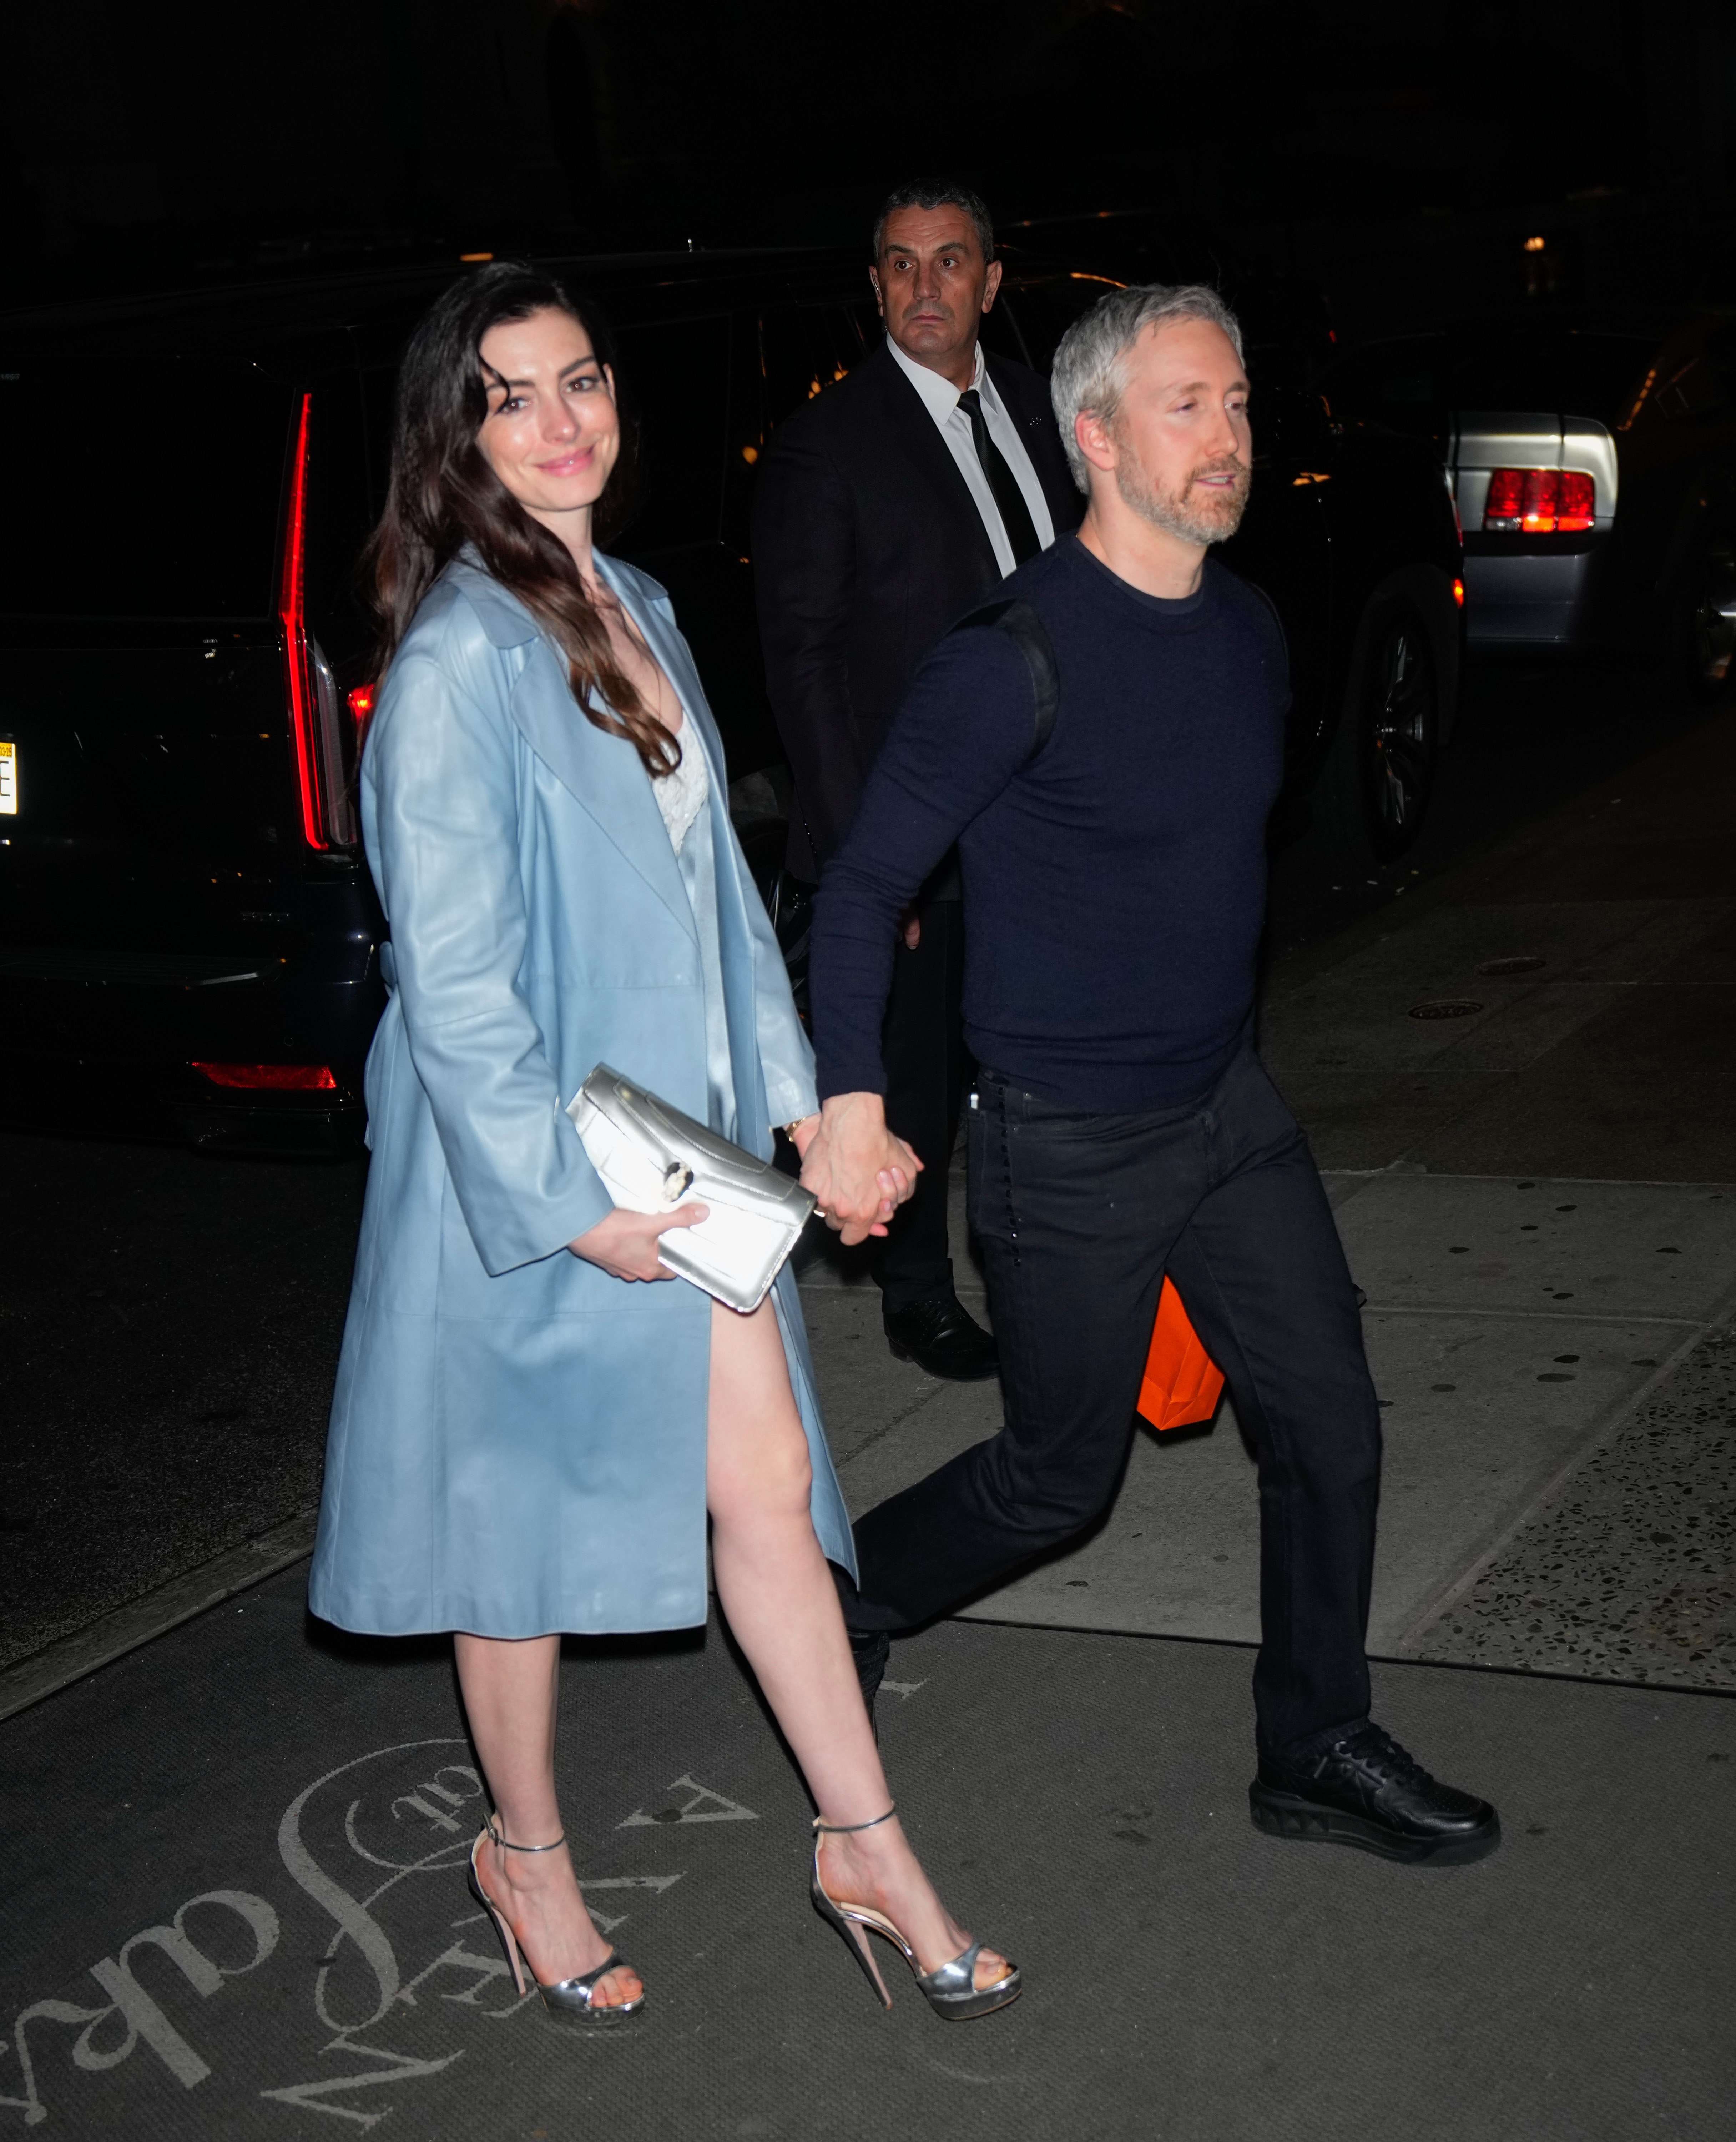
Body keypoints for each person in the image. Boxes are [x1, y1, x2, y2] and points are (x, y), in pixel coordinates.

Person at [307, 262, 1020, 2025]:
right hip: (546, 1168)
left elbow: (717, 915)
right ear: (453, 436)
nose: (564, 421)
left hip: (683, 1150)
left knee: (767, 1493)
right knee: (520, 1532)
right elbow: (456, 986)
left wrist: (809, 1106)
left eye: (584, 380)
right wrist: (571, 1206)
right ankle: (526, 1856)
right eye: (512, 395)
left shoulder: (634, 600)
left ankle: (864, 1840)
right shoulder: (459, 653)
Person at [799, 284, 1501, 1867]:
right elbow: (860, 887)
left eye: (1240, 403)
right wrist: (855, 1098)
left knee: (1332, 1427)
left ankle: (1312, 1743)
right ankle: (840, 1595)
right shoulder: (1010, 660)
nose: (1230, 438)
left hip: (1227, 1112)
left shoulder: (1248, 629)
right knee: (1058, 1482)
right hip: (1069, 1142)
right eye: (1190, 407)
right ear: (1098, 435)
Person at [753, 180, 1081, 1381]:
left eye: (950, 263)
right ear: (876, 287)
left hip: (1043, 820)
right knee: (920, 1080)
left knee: (1033, 1062)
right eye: (900, 265)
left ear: (991, 285)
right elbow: (804, 667)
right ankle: (918, 1290)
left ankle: (1048, 1259)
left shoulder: (1046, 417)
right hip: (910, 832)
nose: (924, 287)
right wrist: (860, 861)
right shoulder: (826, 445)